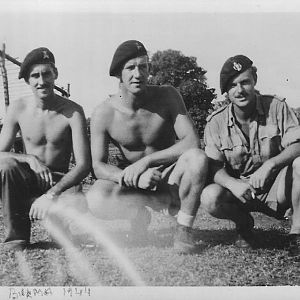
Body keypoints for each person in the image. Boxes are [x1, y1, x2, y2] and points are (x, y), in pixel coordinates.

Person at [86, 40, 208, 254]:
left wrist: (146, 162)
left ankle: (183, 228)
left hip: (167, 176)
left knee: (197, 158)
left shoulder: (167, 95)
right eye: (130, 68)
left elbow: (191, 142)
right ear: (118, 74)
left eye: (143, 66)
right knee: (95, 198)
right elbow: (98, 166)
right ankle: (138, 214)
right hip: (132, 182)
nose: (138, 74)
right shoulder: (103, 113)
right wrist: (131, 175)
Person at [201, 54, 300, 255]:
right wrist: (232, 184)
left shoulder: (276, 106)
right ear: (226, 92)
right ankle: (243, 223)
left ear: (254, 80)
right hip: (240, 192)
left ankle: (297, 234)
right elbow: (213, 167)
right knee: (210, 197)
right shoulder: (215, 123)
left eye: (245, 82)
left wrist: (271, 164)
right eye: (232, 85)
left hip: (276, 186)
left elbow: (297, 144)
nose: (240, 90)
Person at [0, 47, 91, 250]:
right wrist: (30, 159)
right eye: (35, 76)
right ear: (27, 81)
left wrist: (51, 195)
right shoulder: (18, 109)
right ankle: (17, 237)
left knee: (71, 222)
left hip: (60, 183)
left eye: (46, 73)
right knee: (6, 165)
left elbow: (84, 165)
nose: (42, 81)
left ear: (55, 74)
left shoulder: (73, 111)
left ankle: (59, 226)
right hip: (28, 182)